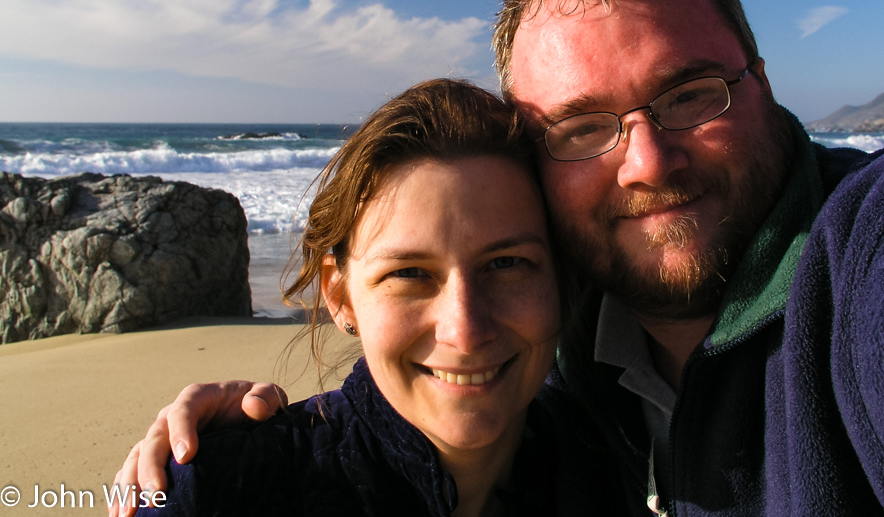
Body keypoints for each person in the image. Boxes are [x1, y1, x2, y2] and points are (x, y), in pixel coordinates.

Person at [116, 0, 884, 515]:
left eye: (692, 94)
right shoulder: (570, 376)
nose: (649, 162)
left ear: (760, 83)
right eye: (583, 128)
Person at [124, 78, 626, 516]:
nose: (466, 329)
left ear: (561, 277)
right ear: (340, 296)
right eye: (409, 273)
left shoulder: (621, 470)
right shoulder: (220, 492)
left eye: (506, 263)